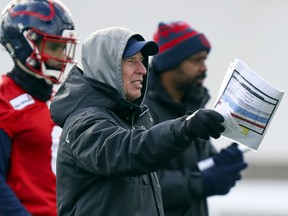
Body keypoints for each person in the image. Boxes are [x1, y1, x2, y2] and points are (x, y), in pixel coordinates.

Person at [50, 26, 227, 216]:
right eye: (131, 61)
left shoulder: (127, 120)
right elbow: (126, 150)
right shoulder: (83, 122)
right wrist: (184, 128)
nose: (142, 70)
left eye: (142, 61)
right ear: (106, 66)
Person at [144, 21, 248, 216]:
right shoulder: (142, 111)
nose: (204, 68)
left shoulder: (193, 105)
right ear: (170, 63)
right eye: (195, 60)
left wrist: (221, 162)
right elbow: (139, 185)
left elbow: (198, 166)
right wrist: (201, 182)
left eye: (204, 59)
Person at [0, 0, 78, 215]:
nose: (62, 56)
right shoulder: (4, 100)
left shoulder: (57, 101)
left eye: (63, 47)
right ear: (24, 44)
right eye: (53, 46)